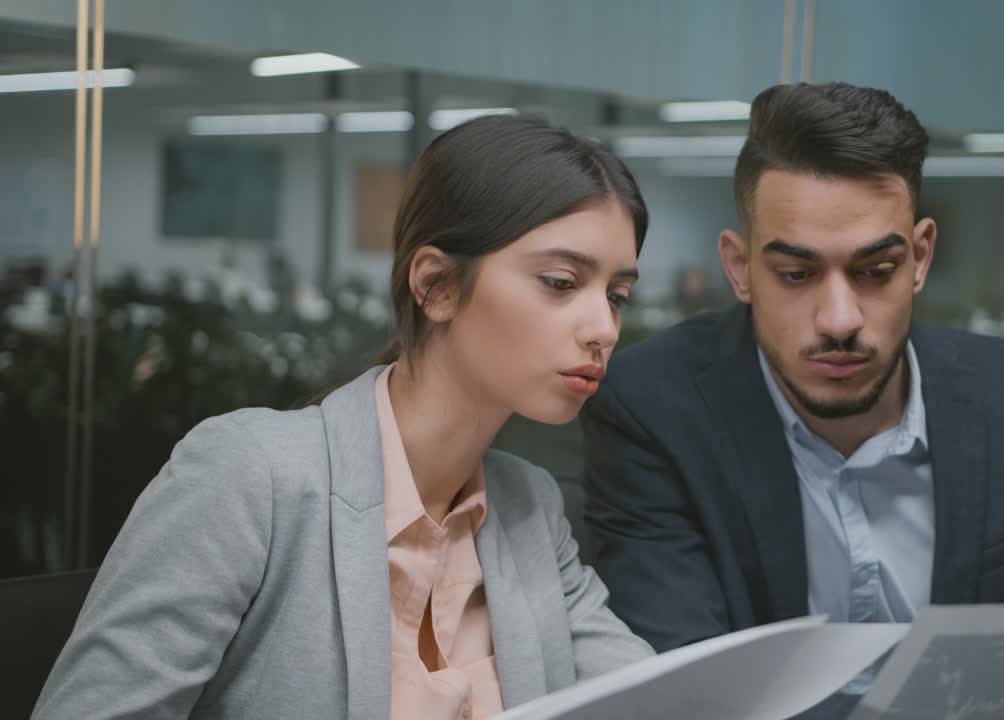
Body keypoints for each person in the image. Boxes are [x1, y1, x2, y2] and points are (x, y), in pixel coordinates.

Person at [581, 83, 1004, 719]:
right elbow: (691, 695)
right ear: (739, 269)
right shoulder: (656, 406)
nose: (840, 319)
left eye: (875, 271)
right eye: (796, 274)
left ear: (921, 258)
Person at [35, 115, 654, 720]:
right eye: (559, 281)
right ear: (436, 285)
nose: (603, 328)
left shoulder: (530, 508)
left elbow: (669, 696)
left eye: (616, 296)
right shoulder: (251, 477)